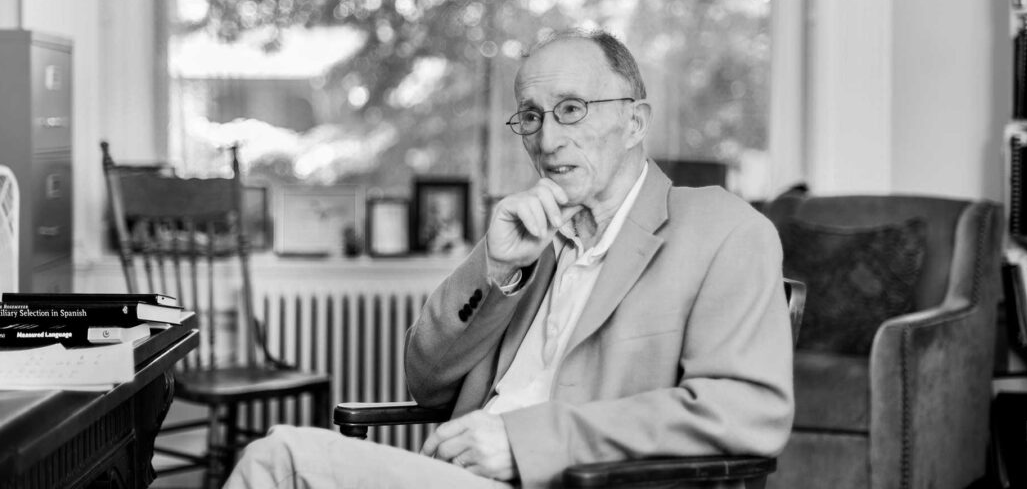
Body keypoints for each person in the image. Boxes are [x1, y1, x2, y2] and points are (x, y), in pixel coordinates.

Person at [224, 29, 793, 489]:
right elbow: (426, 383)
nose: (547, 140)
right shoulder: (532, 233)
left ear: (635, 123)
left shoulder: (722, 230)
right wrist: (497, 270)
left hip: (569, 479)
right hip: (451, 473)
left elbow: (747, 411)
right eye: (532, 116)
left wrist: (523, 442)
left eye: (571, 109)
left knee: (281, 460)